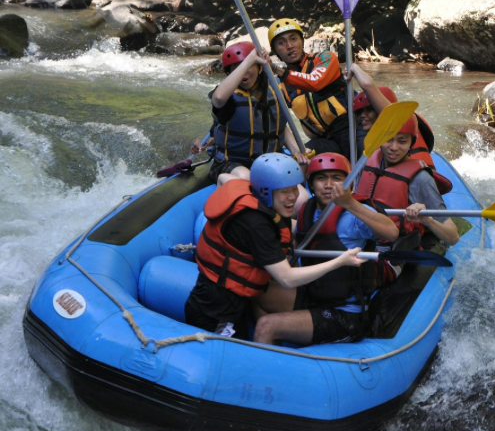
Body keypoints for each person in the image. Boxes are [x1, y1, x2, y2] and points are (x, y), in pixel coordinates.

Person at [184, 153, 365, 337]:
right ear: (265, 191)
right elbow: (286, 279)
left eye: (294, 188)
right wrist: (340, 260)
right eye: (284, 191)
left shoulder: (252, 194)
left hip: (219, 298)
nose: (293, 197)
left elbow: (223, 178)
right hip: (216, 313)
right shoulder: (256, 225)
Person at [252, 152, 401, 345]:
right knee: (253, 292)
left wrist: (349, 203)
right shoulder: (307, 209)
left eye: (337, 178)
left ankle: (273, 344)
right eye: (321, 178)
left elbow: (392, 232)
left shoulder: (354, 214)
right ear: (311, 184)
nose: (329, 185)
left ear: (349, 184)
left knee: (266, 326)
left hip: (345, 312)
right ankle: (280, 345)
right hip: (313, 294)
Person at [355, 114, 460, 251]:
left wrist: (427, 220)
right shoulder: (366, 161)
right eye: (388, 139)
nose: (394, 147)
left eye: (402, 141)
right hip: (357, 239)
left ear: (411, 143)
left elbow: (453, 237)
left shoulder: (421, 178)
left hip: (391, 251)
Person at [205, 41, 306, 183]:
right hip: (233, 164)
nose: (243, 74)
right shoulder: (228, 96)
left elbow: (280, 126)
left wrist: (296, 151)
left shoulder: (274, 90)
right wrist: (249, 60)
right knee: (245, 176)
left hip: (269, 161)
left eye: (248, 67)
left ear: (260, 69)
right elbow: (219, 98)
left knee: (301, 171)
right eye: (237, 69)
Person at [267, 18, 365, 157]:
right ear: (275, 51)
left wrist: (276, 68)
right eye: (281, 43)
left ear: (302, 41)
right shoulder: (280, 86)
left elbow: (315, 82)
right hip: (323, 140)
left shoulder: (325, 58)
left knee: (366, 164)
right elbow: (273, 117)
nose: (289, 46)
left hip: (352, 129)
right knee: (296, 159)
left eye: (294, 39)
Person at [348, 63, 452, 194]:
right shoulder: (383, 136)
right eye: (359, 112)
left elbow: (368, 85)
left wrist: (354, 68)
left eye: (369, 109)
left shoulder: (399, 120)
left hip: (419, 186)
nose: (362, 115)